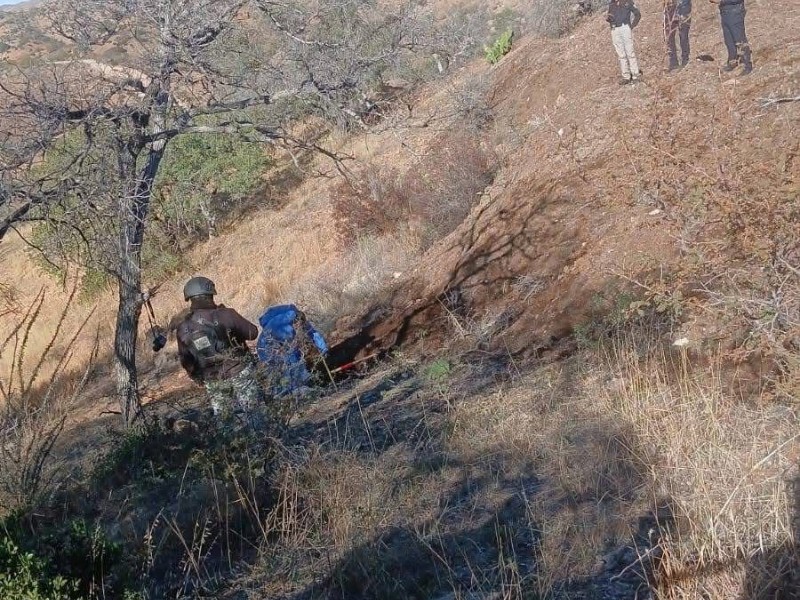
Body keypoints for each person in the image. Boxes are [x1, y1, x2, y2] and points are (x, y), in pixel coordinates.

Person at [175, 276, 267, 430]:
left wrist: (197, 377)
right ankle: (264, 447)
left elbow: (186, 361)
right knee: (255, 415)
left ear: (190, 299)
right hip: (240, 370)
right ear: (210, 295)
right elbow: (252, 333)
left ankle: (230, 451)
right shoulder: (226, 314)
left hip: (213, 380)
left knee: (225, 422)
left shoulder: (183, 328)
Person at [709, 0, 751, 75]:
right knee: (729, 40)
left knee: (739, 39)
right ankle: (733, 61)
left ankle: (747, 64)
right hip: (725, 11)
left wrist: (721, 1)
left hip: (734, 11)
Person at [606, 0, 642, 85]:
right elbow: (610, 16)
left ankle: (635, 75)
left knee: (630, 52)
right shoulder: (611, 4)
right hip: (615, 29)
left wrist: (632, 26)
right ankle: (626, 76)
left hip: (625, 27)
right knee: (621, 54)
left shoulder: (628, 2)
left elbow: (637, 14)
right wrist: (609, 19)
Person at [664, 0, 692, 70]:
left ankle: (685, 60)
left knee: (683, 32)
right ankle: (673, 62)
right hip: (669, 4)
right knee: (668, 33)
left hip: (683, 4)